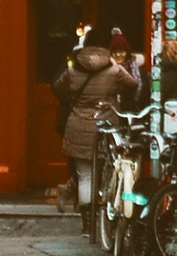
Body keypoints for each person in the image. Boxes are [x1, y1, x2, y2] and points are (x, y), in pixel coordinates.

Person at [52, 28, 138, 214]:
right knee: (106, 168)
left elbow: (57, 89)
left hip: (78, 123)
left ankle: (87, 221)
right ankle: (104, 211)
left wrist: (74, 99)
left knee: (85, 175)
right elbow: (133, 85)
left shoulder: (73, 69)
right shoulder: (114, 70)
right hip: (106, 125)